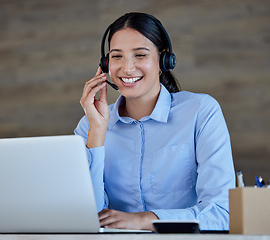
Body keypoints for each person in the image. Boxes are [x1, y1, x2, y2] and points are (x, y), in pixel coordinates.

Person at [75, 12, 235, 231]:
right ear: (106, 64)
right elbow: (85, 219)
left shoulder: (201, 112)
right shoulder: (89, 126)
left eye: (140, 55)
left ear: (163, 61)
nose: (127, 68)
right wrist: (97, 133)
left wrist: (145, 220)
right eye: (116, 56)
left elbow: (222, 213)